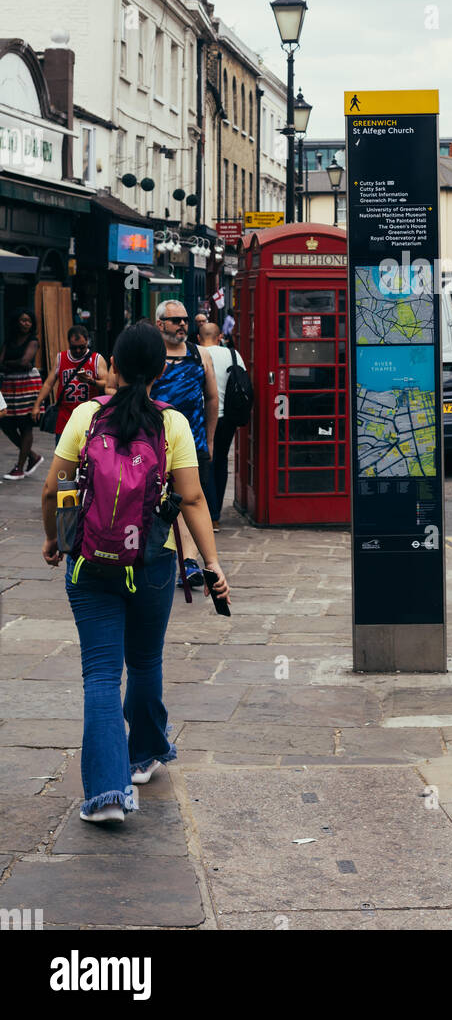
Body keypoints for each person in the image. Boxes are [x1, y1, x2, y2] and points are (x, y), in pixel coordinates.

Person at [40, 321, 230, 824]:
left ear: (114, 367)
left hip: (90, 562)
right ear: (161, 370)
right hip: (152, 561)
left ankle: (107, 796)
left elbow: (53, 490)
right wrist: (209, 564)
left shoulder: (85, 415)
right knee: (145, 663)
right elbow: (192, 498)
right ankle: (142, 756)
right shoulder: (172, 425)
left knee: (101, 676)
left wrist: (57, 538)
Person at [149, 301, 218, 583]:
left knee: (188, 500)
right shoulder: (151, 356)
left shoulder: (199, 354)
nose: (182, 325)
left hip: (193, 442)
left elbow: (212, 398)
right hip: (154, 442)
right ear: (160, 324)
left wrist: (210, 440)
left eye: (185, 320)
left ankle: (189, 561)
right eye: (175, 320)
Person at [197, 322, 247, 530]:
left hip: (202, 416)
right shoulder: (234, 355)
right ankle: (215, 515)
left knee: (204, 463)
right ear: (220, 337)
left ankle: (210, 513)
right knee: (220, 462)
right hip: (227, 417)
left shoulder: (195, 354)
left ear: (199, 338)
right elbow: (244, 383)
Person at [32, 326, 108, 444]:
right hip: (65, 417)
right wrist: (37, 404)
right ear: (68, 343)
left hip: (88, 418)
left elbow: (107, 385)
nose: (78, 351)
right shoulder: (61, 358)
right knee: (62, 455)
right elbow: (48, 383)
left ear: (87, 341)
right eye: (74, 348)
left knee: (86, 456)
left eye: (81, 347)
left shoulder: (96, 359)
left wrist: (91, 381)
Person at [0, 308, 43, 480]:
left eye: (28, 321)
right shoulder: (9, 340)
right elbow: (0, 363)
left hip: (27, 385)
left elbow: (26, 362)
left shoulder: (33, 340)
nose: (25, 323)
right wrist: (15, 364)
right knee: (5, 422)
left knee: (25, 424)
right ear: (16, 322)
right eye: (22, 320)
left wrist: (9, 364)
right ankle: (32, 456)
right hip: (10, 385)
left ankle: (19, 467)